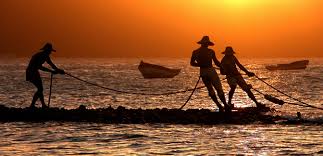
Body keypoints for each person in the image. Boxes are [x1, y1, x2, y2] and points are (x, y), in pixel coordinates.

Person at [190, 36, 232, 112]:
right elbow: (192, 63)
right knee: (213, 89)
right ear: (202, 43)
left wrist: (222, 67)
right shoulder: (196, 52)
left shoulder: (210, 51)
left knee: (217, 89)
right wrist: (201, 65)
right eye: (205, 43)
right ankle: (220, 105)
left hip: (208, 71)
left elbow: (216, 62)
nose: (206, 44)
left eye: (206, 43)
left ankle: (224, 105)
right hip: (206, 71)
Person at [26, 43, 65, 108]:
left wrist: (59, 70)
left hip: (35, 72)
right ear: (47, 51)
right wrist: (51, 71)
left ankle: (43, 105)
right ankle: (32, 105)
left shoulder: (46, 56)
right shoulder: (41, 55)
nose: (50, 52)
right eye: (50, 51)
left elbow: (52, 65)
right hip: (31, 72)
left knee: (40, 89)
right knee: (40, 89)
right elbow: (40, 67)